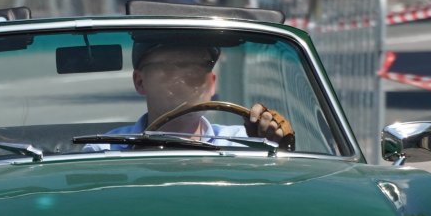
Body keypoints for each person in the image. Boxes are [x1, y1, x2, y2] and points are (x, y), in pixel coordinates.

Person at [86, 40, 294, 150]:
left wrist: (274, 146)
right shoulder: (106, 151)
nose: (183, 78)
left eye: (196, 68)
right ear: (140, 82)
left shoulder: (243, 143)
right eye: (169, 67)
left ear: (212, 84)